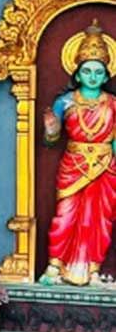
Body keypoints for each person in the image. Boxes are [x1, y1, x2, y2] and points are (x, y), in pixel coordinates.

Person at [39, 22, 116, 286]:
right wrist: (51, 130)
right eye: (87, 71)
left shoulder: (114, 104)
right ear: (78, 74)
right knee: (66, 216)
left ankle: (94, 271)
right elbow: (50, 141)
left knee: (100, 219)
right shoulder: (65, 102)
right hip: (73, 164)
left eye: (98, 72)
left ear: (106, 76)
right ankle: (54, 266)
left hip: (106, 166)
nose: (93, 76)